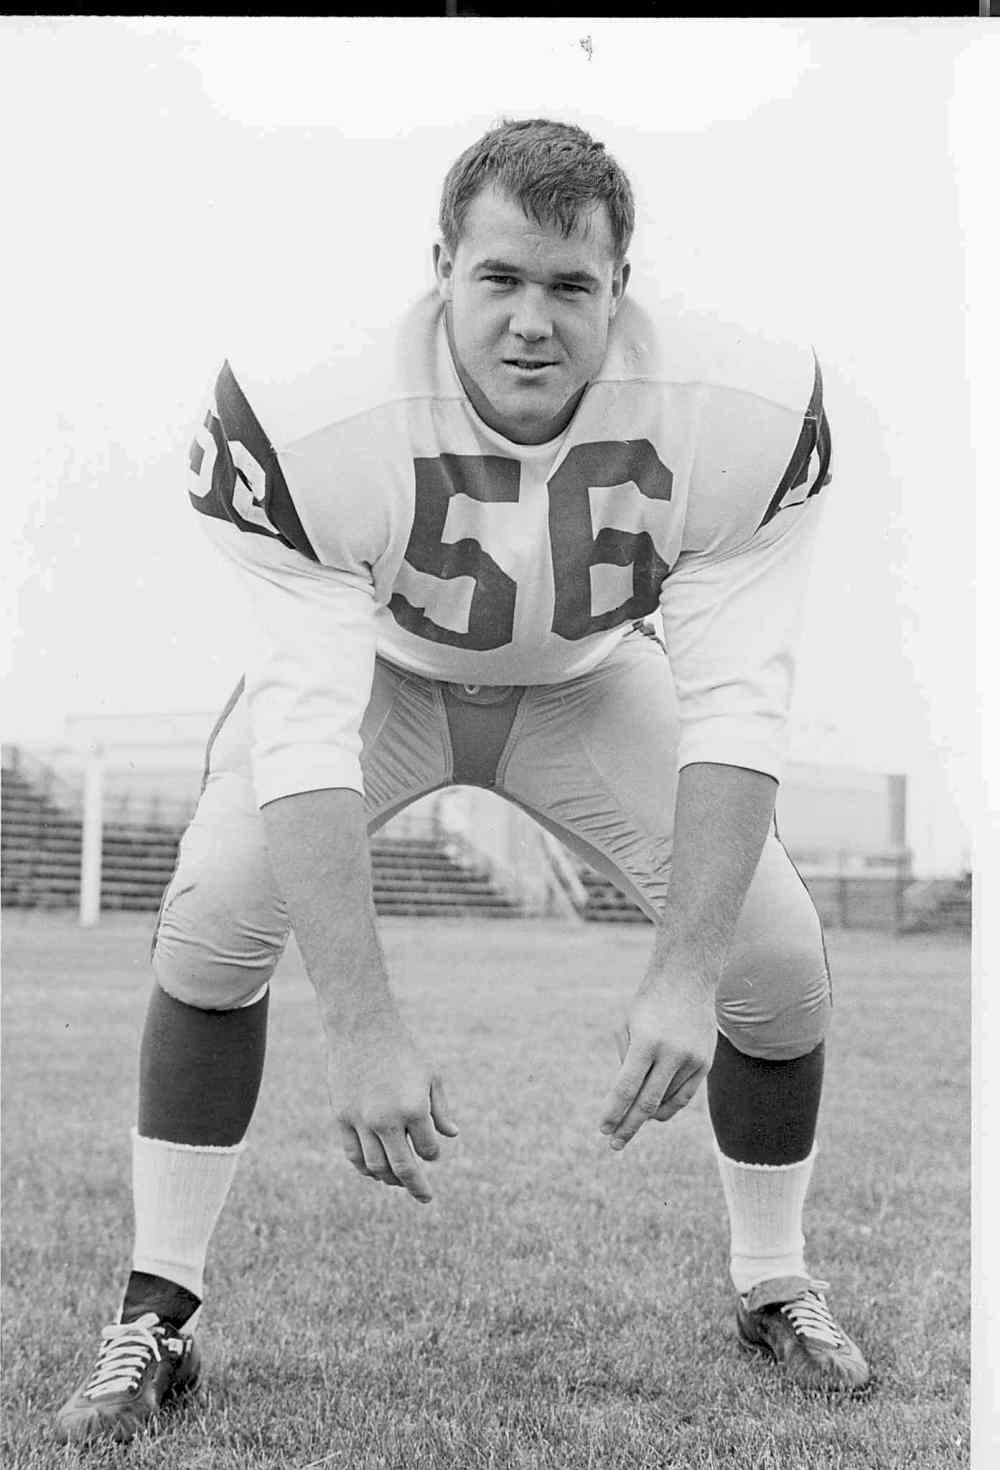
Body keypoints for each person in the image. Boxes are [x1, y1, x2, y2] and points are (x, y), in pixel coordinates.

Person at [56, 117, 870, 1444]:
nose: (532, 322)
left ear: (623, 286)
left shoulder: (743, 407)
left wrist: (684, 973)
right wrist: (362, 1026)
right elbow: (306, 734)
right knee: (215, 907)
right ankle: (158, 1309)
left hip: (591, 680)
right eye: (499, 278)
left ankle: (774, 1281)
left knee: (772, 956)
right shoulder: (315, 410)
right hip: (385, 675)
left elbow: (738, 700)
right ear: (440, 268)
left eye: (570, 285)